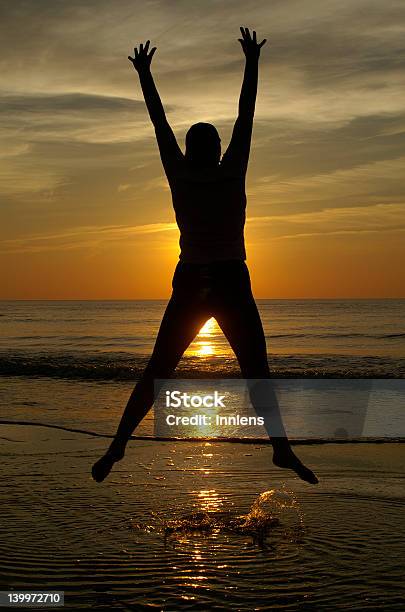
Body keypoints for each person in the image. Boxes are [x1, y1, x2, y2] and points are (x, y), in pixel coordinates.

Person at [92, 27, 318, 485]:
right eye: (208, 144)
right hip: (220, 279)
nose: (210, 148)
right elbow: (242, 117)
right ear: (210, 151)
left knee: (191, 368)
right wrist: (252, 64)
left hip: (206, 280)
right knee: (235, 370)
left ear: (198, 150)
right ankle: (119, 445)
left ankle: (119, 446)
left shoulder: (189, 174)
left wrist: (145, 75)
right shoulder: (226, 171)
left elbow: (177, 123)